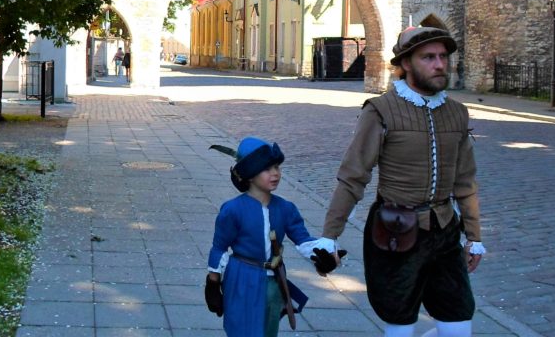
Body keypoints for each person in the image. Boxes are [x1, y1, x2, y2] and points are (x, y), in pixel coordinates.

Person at [320, 26, 485, 337]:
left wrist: (474, 236)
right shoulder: (380, 110)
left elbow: (465, 180)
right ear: (406, 63)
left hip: (445, 231)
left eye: (443, 57)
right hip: (395, 231)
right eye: (428, 57)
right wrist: (331, 236)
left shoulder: (457, 112)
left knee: (459, 326)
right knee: (400, 326)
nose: (439, 64)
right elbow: (353, 176)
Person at [205, 137, 343, 336]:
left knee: (268, 331)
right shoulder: (232, 210)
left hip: (274, 282)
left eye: (277, 167)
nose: (275, 173)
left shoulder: (285, 208)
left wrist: (323, 256)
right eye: (267, 169)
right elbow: (219, 247)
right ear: (250, 174)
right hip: (241, 279)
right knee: (240, 330)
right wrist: (213, 283)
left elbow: (303, 240)